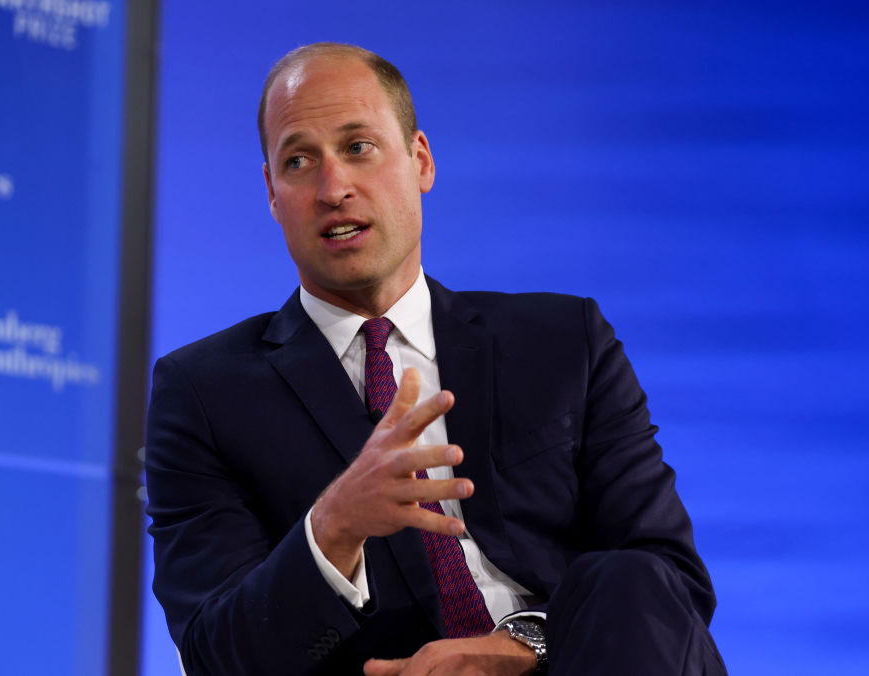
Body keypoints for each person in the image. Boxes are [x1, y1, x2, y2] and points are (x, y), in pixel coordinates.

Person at [146, 42, 725, 675]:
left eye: (358, 147)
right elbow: (214, 657)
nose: (334, 188)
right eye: (299, 161)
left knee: (628, 574)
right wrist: (333, 526)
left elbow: (671, 582)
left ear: (420, 160)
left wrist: (522, 648)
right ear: (272, 193)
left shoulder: (563, 341)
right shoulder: (203, 393)